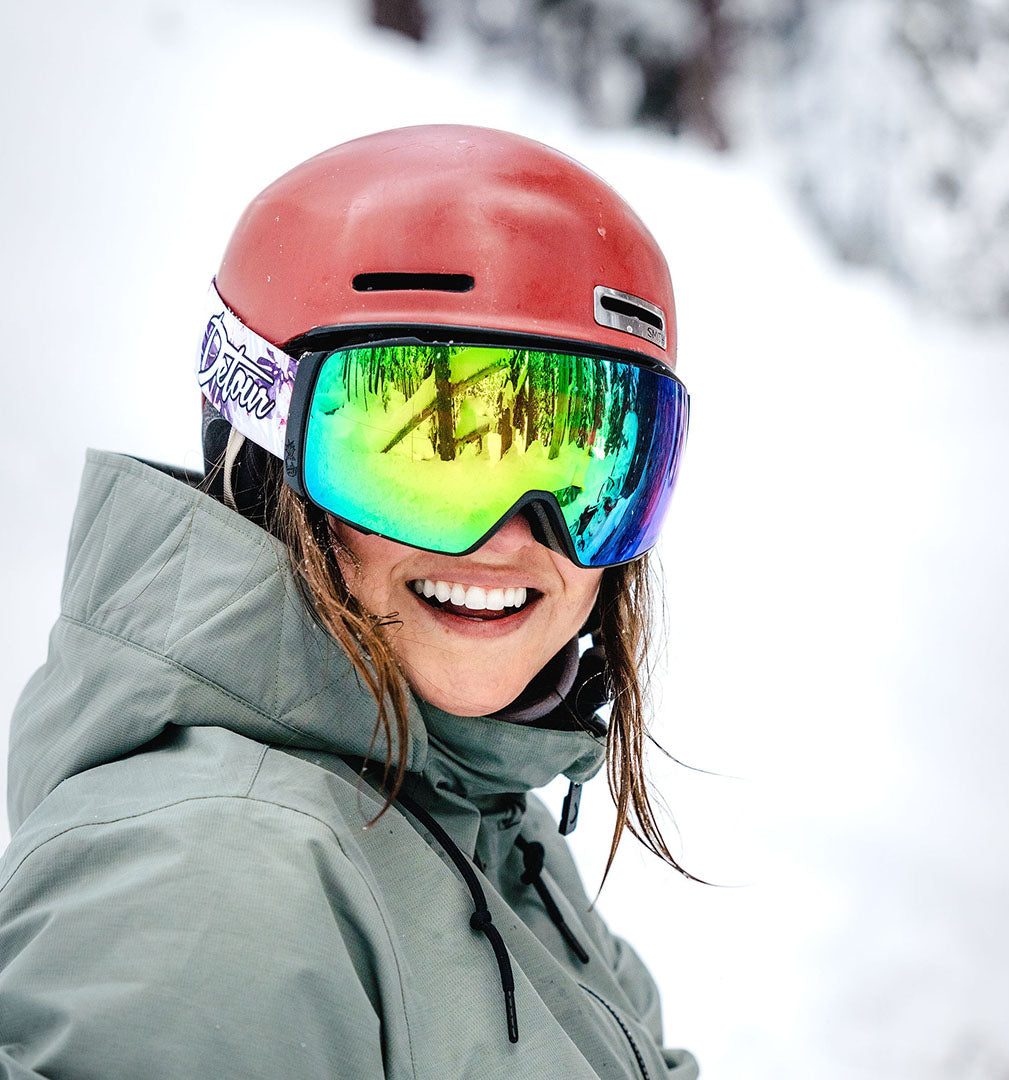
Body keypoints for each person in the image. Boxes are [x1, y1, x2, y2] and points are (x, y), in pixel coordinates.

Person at [0, 125, 697, 1078]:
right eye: (429, 453)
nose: (515, 535)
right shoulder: (220, 880)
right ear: (261, 455)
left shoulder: (480, 814)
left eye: (586, 461)